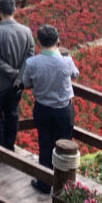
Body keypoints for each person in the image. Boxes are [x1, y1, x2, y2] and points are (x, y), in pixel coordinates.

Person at [22, 24, 79, 193]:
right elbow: (75, 75)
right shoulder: (66, 61)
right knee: (63, 148)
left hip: (43, 109)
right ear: (58, 41)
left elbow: (26, 83)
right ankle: (63, 186)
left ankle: (45, 183)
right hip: (63, 110)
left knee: (45, 145)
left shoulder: (32, 63)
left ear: (38, 41)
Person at [0, 0, 34, 151]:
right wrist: (19, 76)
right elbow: (30, 57)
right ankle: (10, 148)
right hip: (17, 85)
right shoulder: (26, 31)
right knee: (12, 115)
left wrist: (13, 73)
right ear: (15, 10)